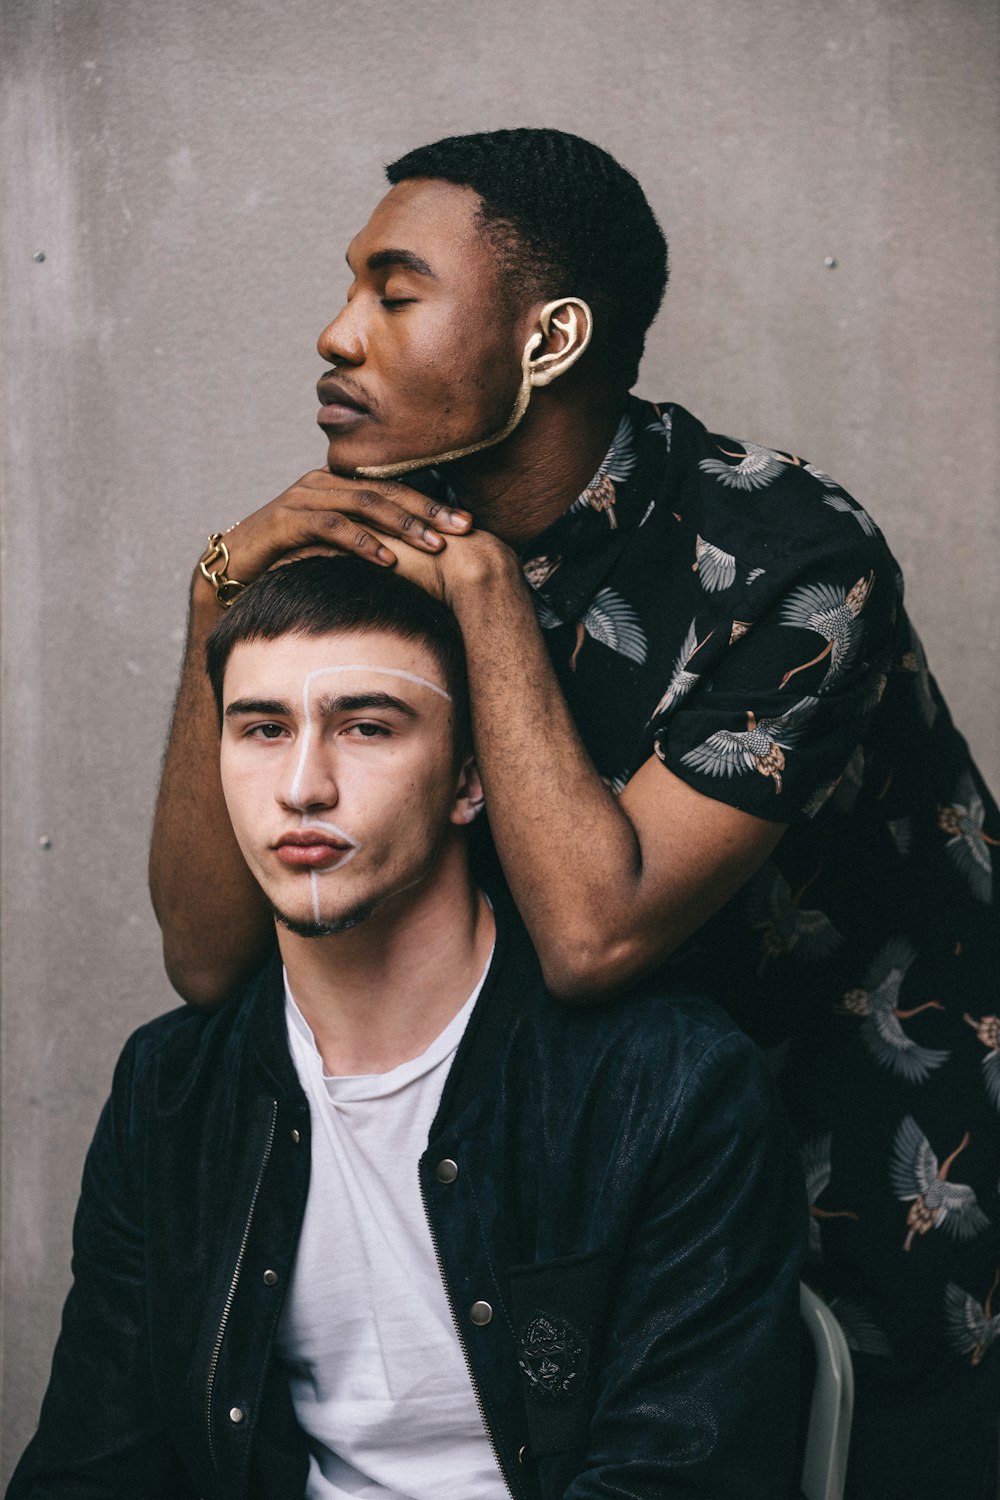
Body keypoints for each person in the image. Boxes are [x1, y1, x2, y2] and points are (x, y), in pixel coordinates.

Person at [148, 129, 1000, 1497]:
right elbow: (208, 958)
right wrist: (213, 605)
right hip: (567, 1215)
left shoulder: (796, 561)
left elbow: (595, 937)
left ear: (548, 340)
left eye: (394, 291)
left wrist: (489, 600)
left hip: (878, 1210)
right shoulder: (380, 535)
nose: (335, 332)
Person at [8, 556, 804, 1500]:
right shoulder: (172, 1090)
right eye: (262, 729)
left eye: (367, 728)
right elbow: (92, 1468)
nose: (303, 786)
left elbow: (682, 1479)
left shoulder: (673, 1086)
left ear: (471, 778)